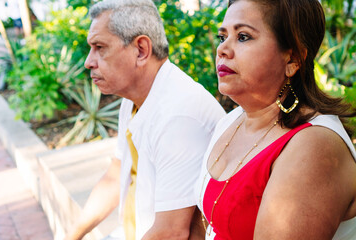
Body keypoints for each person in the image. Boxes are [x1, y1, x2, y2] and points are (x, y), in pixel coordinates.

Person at [194, 0, 356, 239]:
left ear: (292, 59)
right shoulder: (232, 120)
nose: (222, 50)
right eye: (222, 37)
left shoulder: (314, 145)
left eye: (243, 37)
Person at [63, 0, 226, 239]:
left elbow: (171, 232)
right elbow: (115, 175)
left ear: (141, 50)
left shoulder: (179, 116)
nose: (89, 61)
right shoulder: (133, 99)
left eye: (100, 47)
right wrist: (71, 235)